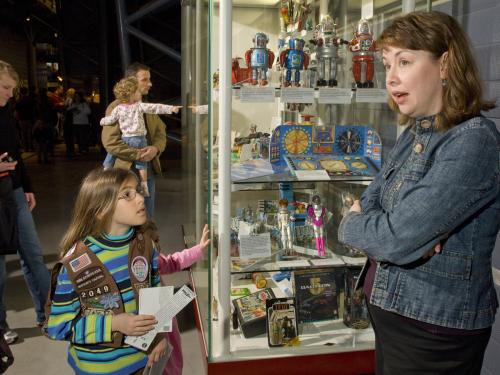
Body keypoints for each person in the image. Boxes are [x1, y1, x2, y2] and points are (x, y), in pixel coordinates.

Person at [337, 11, 499, 375]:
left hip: (433, 333)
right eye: (386, 64)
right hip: (393, 318)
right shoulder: (416, 132)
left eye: (405, 61)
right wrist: (373, 225)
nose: (391, 77)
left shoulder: (473, 141)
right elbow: (370, 209)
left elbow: (395, 238)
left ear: (445, 64)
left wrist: (379, 227)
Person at [45, 168, 165, 374]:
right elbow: (59, 327)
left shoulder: (146, 246)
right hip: (98, 368)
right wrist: (115, 323)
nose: (140, 198)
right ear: (101, 209)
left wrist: (159, 337)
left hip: (142, 362)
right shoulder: (75, 265)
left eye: (137, 190)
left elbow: (154, 294)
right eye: (127, 194)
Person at [0, 60, 51, 343]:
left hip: (15, 192)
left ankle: (48, 314)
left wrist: (27, 186)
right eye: (6, 87)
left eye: (12, 89)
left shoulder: (7, 110)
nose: (10, 94)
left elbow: (16, 152)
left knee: (33, 255)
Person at [102, 62, 168, 218]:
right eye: (145, 79)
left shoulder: (143, 106)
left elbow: (161, 132)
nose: (150, 84)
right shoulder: (117, 107)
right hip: (125, 174)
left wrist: (155, 149)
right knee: (126, 220)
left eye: (149, 79)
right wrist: (139, 154)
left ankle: (146, 243)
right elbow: (110, 143)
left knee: (147, 219)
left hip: (147, 173)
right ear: (131, 81)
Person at [101, 77, 180, 196]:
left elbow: (110, 120)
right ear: (132, 94)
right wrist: (171, 109)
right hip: (139, 139)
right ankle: (144, 186)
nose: (149, 84)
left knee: (110, 156)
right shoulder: (139, 106)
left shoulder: (118, 109)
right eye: (138, 91)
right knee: (142, 164)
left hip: (126, 138)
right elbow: (156, 107)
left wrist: (102, 121)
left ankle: (105, 173)